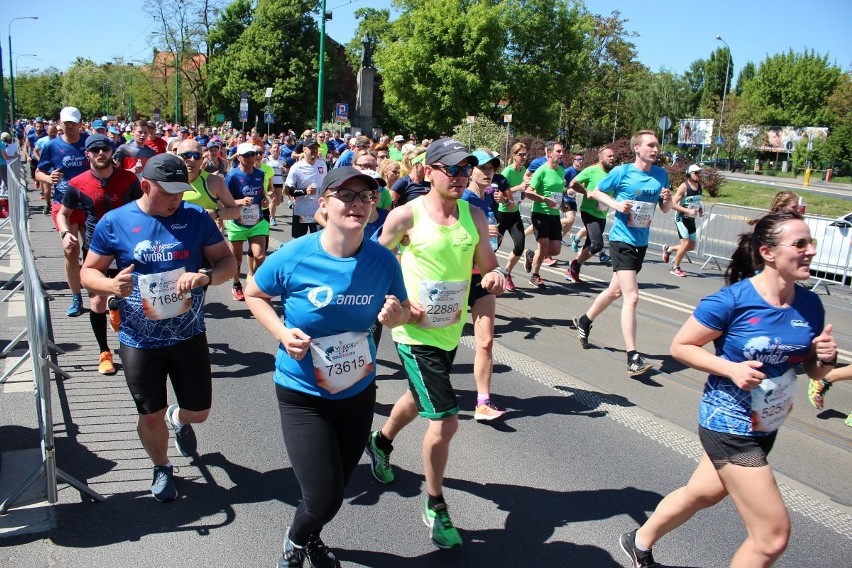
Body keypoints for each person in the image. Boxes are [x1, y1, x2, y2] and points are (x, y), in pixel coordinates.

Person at [620, 210, 836, 568]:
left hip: (765, 422)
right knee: (771, 537)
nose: (810, 250)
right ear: (768, 252)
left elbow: (812, 368)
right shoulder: (733, 301)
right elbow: (682, 346)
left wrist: (825, 359)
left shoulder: (809, 304)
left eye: (810, 242)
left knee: (702, 493)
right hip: (727, 423)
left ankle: (638, 540)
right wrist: (730, 369)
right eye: (800, 244)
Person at [244, 167, 409, 568]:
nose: (356, 204)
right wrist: (282, 333)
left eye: (366, 198)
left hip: (357, 390)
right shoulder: (296, 255)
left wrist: (396, 315)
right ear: (324, 204)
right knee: (323, 496)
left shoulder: (384, 261)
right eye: (346, 196)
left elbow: (405, 312)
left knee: (338, 484)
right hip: (303, 394)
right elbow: (255, 293)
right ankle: (297, 540)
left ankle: (312, 535)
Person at [365, 138, 505, 549]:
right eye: (453, 169)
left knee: (418, 393)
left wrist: (493, 277)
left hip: (449, 328)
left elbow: (488, 266)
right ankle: (435, 504)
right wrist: (395, 304)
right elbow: (372, 262)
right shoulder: (406, 216)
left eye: (466, 170)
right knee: (445, 418)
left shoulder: (474, 215)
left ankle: (381, 441)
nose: (461, 176)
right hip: (413, 330)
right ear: (430, 171)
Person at [80, 153, 237, 502]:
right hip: (139, 339)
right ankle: (162, 466)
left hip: (189, 334)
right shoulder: (115, 221)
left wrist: (206, 275)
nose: (176, 200)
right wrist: (109, 287)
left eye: (181, 192)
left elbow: (228, 263)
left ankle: (177, 418)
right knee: (149, 417)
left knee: (199, 412)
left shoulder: (195, 217)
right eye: (169, 193)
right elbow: (88, 271)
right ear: (146, 185)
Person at [572, 130, 672, 376]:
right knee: (632, 297)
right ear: (637, 148)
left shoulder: (661, 175)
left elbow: (666, 209)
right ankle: (633, 356)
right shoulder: (623, 172)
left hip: (641, 241)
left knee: (615, 291)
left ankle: (584, 320)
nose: (655, 149)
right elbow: (596, 191)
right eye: (650, 145)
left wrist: (666, 199)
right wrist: (616, 204)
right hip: (621, 240)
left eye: (657, 145)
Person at [58, 134, 142, 374]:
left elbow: (142, 208)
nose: (100, 153)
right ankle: (104, 352)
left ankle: (131, 340)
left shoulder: (129, 179)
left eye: (104, 149)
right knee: (97, 300)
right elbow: (63, 214)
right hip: (97, 249)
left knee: (131, 297)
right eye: (95, 150)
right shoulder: (77, 184)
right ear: (88, 155)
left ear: (111, 151)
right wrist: (65, 233)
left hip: (128, 246)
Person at [462, 149, 510, 420]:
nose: (489, 171)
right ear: (471, 170)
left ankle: (483, 402)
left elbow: (490, 238)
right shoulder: (464, 199)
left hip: (483, 277)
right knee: (445, 345)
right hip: (458, 278)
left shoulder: (489, 198)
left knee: (486, 341)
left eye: (492, 167)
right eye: (483, 167)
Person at [35, 107, 91, 317]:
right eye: (66, 123)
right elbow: (39, 172)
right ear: (60, 123)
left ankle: (96, 290)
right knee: (70, 251)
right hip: (63, 205)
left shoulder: (89, 142)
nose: (70, 126)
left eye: (73, 123)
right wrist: (48, 179)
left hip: (88, 204)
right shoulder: (52, 146)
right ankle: (76, 297)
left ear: (79, 123)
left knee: (95, 249)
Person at [224, 142, 270, 301]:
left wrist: (264, 200)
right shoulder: (232, 176)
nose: (251, 158)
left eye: (253, 154)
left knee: (260, 255)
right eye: (246, 155)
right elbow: (224, 201)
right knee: (236, 258)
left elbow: (262, 194)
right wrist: (240, 202)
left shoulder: (260, 173)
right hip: (237, 222)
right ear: (238, 157)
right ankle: (236, 284)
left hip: (256, 220)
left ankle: (254, 283)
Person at [566, 146, 617, 283]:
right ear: (600, 158)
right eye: (609, 156)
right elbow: (573, 183)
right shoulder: (591, 171)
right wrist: (587, 192)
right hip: (589, 211)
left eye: (613, 156)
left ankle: (573, 270)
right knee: (597, 244)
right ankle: (574, 265)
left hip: (602, 213)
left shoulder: (614, 174)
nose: (612, 158)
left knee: (589, 243)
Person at [524, 141, 564, 288]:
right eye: (558, 151)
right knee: (543, 247)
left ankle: (531, 255)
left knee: (555, 250)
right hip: (540, 213)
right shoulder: (541, 171)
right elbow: (528, 192)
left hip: (554, 214)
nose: (561, 154)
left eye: (562, 151)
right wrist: (543, 199)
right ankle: (535, 276)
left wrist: (563, 203)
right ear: (549, 153)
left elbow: (559, 191)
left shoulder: (561, 171)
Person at [662, 164, 704, 277]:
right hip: (681, 218)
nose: (698, 175)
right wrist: (687, 210)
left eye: (699, 172)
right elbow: (672, 204)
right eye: (695, 173)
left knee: (691, 246)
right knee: (685, 243)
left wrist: (699, 210)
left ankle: (669, 249)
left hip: (691, 219)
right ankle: (676, 267)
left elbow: (696, 201)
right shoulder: (684, 187)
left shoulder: (699, 186)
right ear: (689, 174)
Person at [498, 142, 529, 292]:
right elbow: (500, 191)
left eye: (525, 154)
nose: (524, 157)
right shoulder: (507, 172)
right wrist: (519, 188)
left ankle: (507, 273)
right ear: (513, 155)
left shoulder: (523, 170)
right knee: (492, 247)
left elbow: (519, 192)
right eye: (521, 154)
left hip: (514, 213)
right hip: (501, 213)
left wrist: (521, 195)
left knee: (520, 245)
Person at [284, 137, 327, 240]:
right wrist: (304, 191)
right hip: (301, 211)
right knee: (298, 241)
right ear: (304, 149)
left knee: (319, 240)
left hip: (318, 211)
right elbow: (287, 190)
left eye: (316, 148)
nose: (314, 151)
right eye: (311, 148)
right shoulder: (297, 167)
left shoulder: (322, 165)